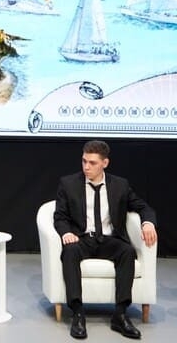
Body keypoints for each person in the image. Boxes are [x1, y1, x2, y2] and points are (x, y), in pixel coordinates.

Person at [52, 140, 156, 340]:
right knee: (70, 250)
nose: (86, 167)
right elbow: (60, 216)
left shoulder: (120, 185)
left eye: (92, 163)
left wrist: (148, 223)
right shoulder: (68, 183)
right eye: (84, 161)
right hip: (82, 238)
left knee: (127, 251)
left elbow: (143, 207)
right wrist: (65, 233)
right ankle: (78, 313)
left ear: (105, 163)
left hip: (109, 239)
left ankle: (120, 314)